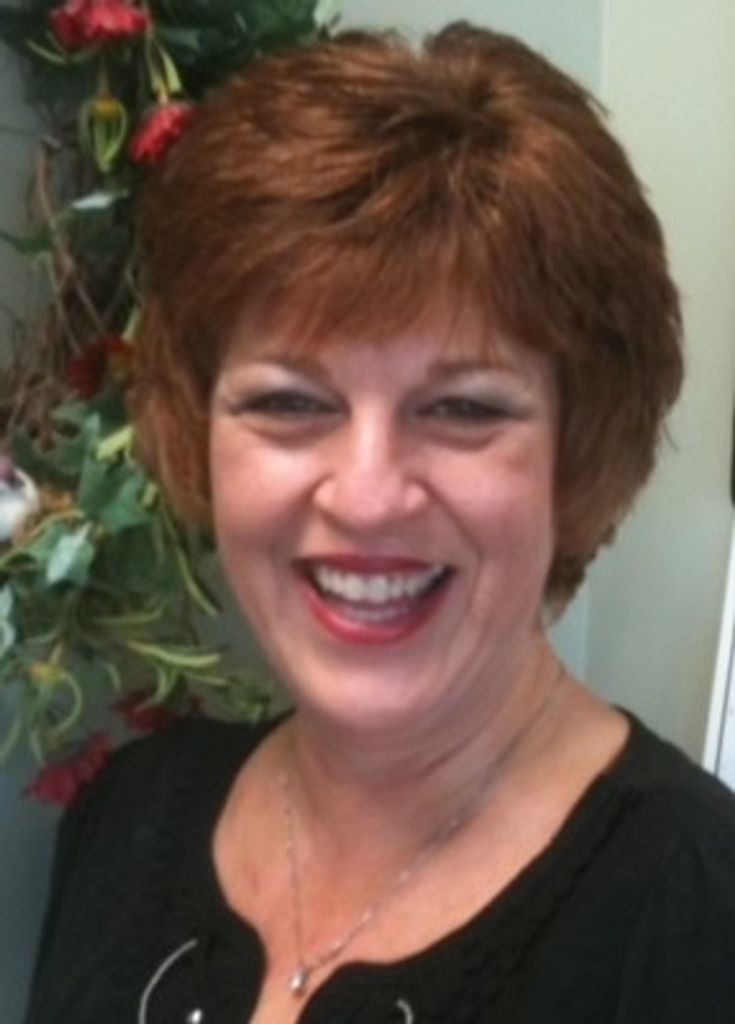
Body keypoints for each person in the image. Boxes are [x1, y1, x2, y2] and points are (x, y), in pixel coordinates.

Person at [25, 22, 735, 1024]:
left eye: (464, 409)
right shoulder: (124, 817)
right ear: (199, 429)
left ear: (575, 452)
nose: (366, 497)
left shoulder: (701, 911)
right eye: (289, 402)